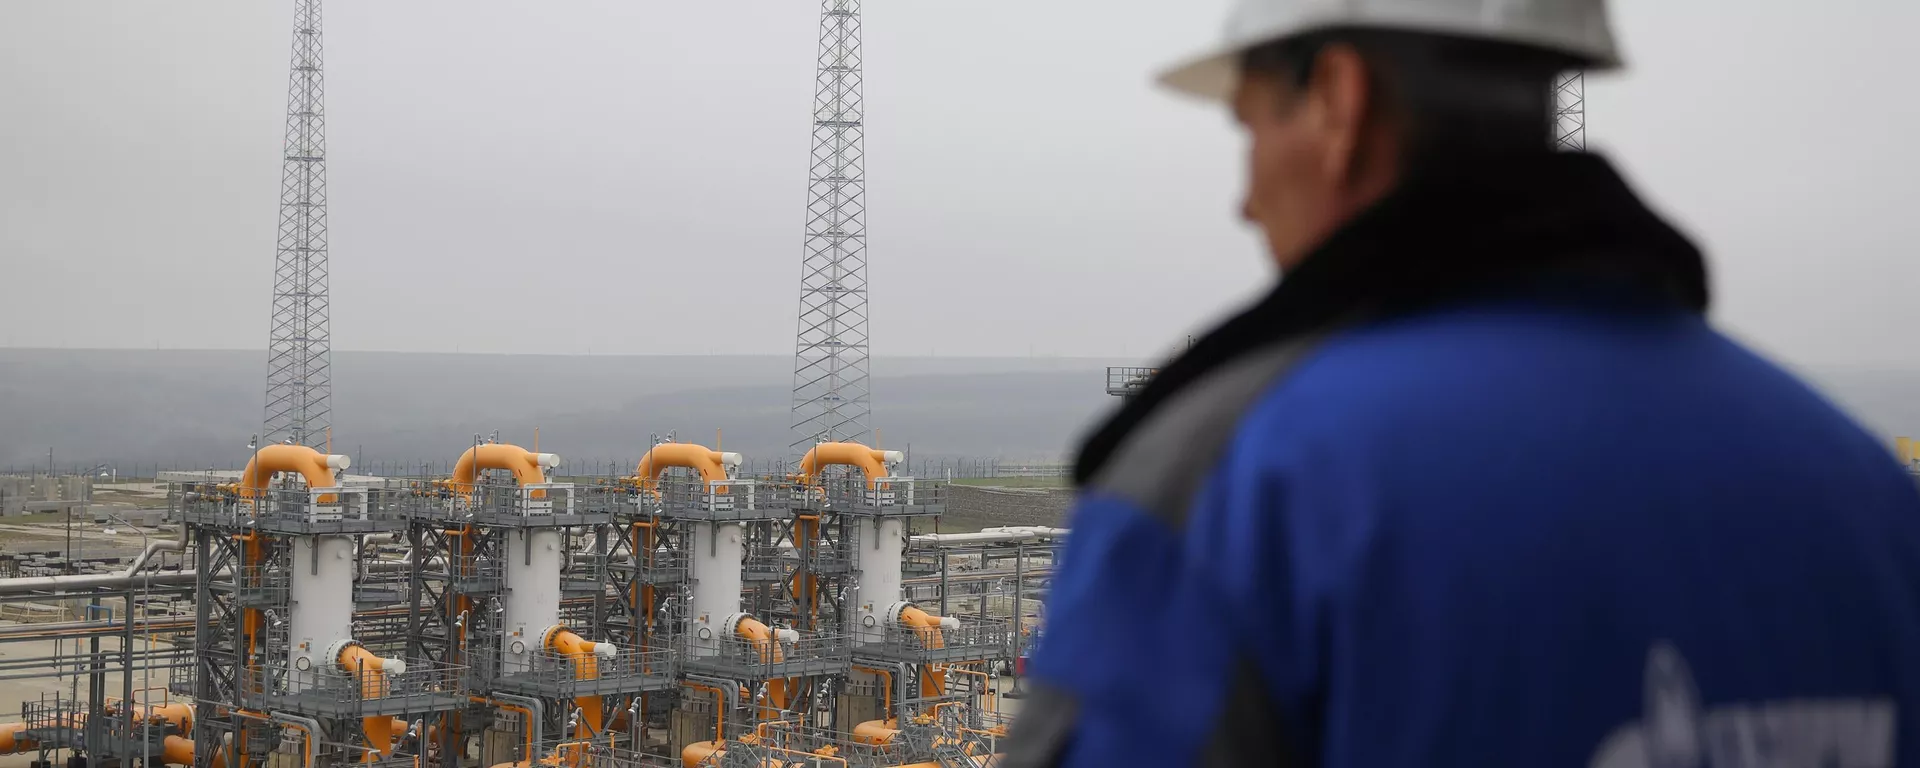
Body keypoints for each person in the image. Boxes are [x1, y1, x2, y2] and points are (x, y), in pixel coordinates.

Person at [1003, 1, 1920, 766]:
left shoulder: (1236, 490)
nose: (1244, 202)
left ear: (1337, 100)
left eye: (1249, 126)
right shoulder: (1867, 498)